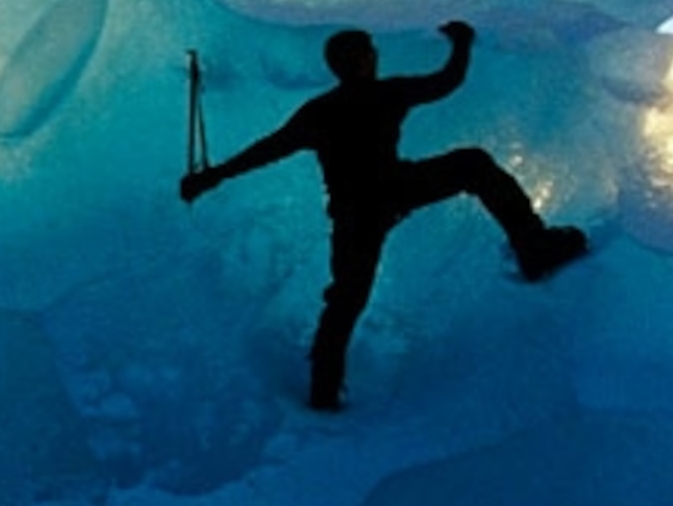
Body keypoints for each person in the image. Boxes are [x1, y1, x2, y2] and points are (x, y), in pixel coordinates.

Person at [179, 22, 585, 411]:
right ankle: (534, 247)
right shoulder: (386, 93)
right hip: (395, 189)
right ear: (362, 60)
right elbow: (446, 82)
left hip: (355, 212)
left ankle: (323, 389)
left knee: (347, 298)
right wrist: (461, 42)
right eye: (370, 52)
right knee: (474, 165)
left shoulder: (320, 111)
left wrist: (211, 177)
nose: (375, 57)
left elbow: (267, 150)